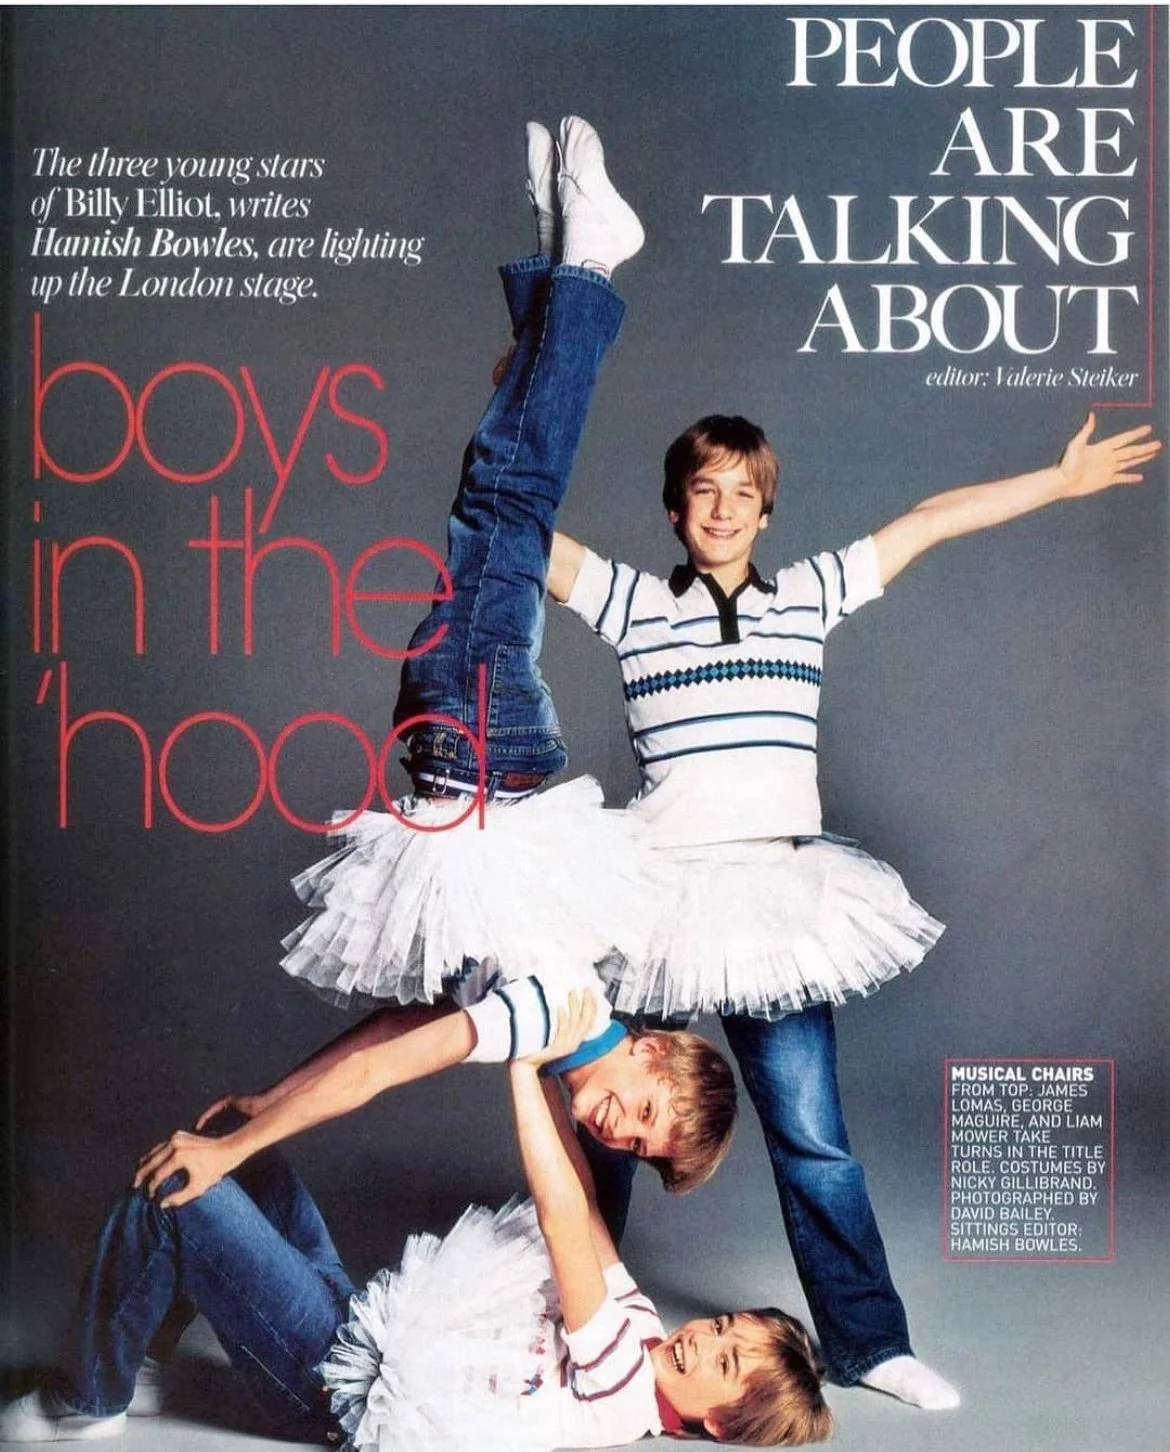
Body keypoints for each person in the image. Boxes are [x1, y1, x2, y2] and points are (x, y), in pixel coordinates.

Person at [120, 118, 735, 1214]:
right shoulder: (550, 1017)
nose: (615, 1130)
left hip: (477, 741)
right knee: (503, 497)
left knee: (499, 492)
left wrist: (259, 1112)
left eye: (633, 1148)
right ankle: (587, 267)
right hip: (482, 736)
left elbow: (394, 1030)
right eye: (643, 1112)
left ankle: (560, 271)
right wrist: (231, 1154)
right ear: (650, 1050)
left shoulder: (557, 1023)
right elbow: (378, 1074)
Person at [548, 410, 1161, 1409]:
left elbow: (926, 520)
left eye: (744, 493)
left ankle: (868, 1342)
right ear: (674, 508)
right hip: (658, 902)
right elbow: (517, 527)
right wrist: (524, 396)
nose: (724, 508)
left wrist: (1055, 482)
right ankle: (571, 1314)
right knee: (607, 1129)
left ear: (766, 510)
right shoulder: (629, 604)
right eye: (705, 490)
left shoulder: (807, 595)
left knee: (813, 1137)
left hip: (776, 901)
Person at [0, 997, 832, 1449]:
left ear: (719, 1423)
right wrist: (557, 1068)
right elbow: (578, 1189)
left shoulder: (623, 1396)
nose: (702, 1340)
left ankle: (89, 1396)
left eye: (721, 1362)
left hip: (332, 1386)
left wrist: (523, 1064)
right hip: (357, 1318)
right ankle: (142, 1359)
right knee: (228, 1144)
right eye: (724, 1327)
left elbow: (560, 1214)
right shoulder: (642, 1327)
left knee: (182, 1190)